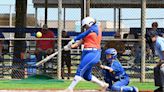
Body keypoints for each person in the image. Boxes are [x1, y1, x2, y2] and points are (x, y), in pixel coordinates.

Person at [64, 17, 108, 92]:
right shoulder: (88, 33)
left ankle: (70, 88)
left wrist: (73, 39)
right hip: (86, 53)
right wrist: (68, 47)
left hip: (93, 53)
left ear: (90, 23)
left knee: (80, 69)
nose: (85, 28)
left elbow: (83, 34)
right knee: (86, 76)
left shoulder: (95, 28)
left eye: (85, 26)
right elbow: (78, 43)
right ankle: (103, 84)